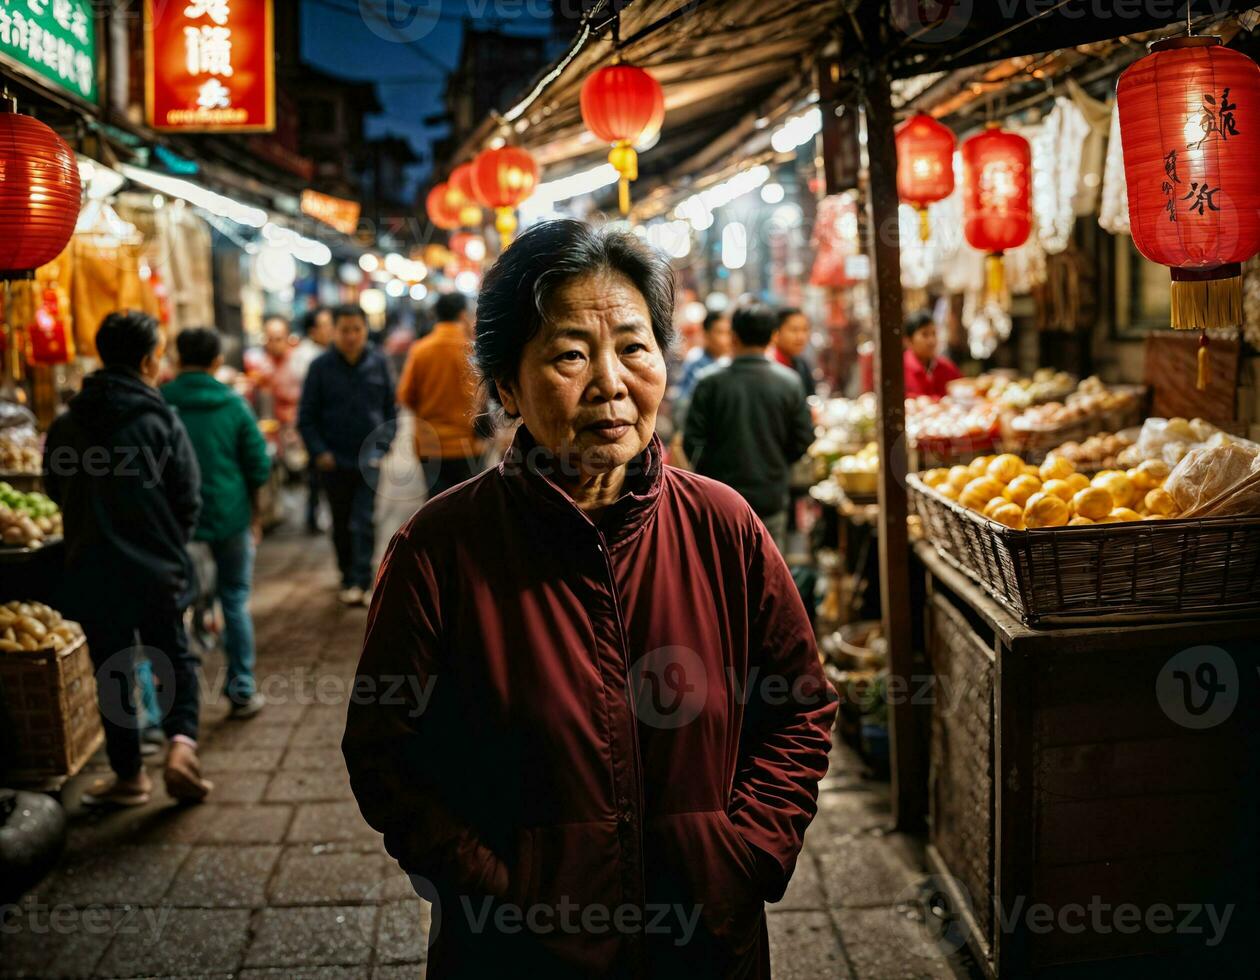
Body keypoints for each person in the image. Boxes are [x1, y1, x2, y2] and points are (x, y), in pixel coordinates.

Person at [343, 221, 835, 978]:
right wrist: (500, 893)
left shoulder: (724, 526)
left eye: (635, 348)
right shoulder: (441, 550)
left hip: (705, 945)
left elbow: (801, 707)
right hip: (522, 958)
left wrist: (746, 854)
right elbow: (385, 755)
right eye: (571, 354)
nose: (611, 382)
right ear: (507, 384)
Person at [43, 311, 211, 805]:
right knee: (173, 656)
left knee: (112, 668)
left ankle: (130, 775)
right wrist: (168, 544)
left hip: (92, 567)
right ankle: (180, 748)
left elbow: (56, 488)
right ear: (145, 360)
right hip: (157, 568)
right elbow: (188, 497)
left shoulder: (69, 422)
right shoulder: (160, 420)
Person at [162, 328, 271, 720]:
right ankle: (241, 689)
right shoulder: (233, 405)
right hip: (230, 516)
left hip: (178, 524)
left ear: (176, 358)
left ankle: (175, 704)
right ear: (215, 362)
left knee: (176, 609)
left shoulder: (161, 404)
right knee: (235, 599)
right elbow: (258, 465)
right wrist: (255, 516)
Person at [683, 302, 816, 553]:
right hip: (772, 495)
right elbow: (803, 437)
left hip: (720, 499)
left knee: (724, 574)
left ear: (734, 337)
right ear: (773, 336)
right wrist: (778, 463)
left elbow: (693, 441)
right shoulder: (789, 382)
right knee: (768, 574)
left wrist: (710, 473)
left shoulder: (710, 382)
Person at [298, 304, 396, 606]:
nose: (351, 336)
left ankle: (364, 580)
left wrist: (382, 447)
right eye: (345, 330)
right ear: (334, 332)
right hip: (332, 459)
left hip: (369, 459)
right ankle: (347, 576)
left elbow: (391, 411)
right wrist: (319, 452)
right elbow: (307, 416)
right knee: (340, 521)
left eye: (357, 329)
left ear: (365, 330)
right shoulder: (320, 367)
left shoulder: (379, 363)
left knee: (364, 520)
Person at [395, 291, 486, 500]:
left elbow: (405, 395)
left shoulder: (420, 350)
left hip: (429, 444)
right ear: (463, 314)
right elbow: (483, 398)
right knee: (466, 506)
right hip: (468, 445)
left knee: (436, 510)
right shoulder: (473, 351)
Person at [291, 306, 334, 533]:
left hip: (324, 424)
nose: (330, 330)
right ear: (312, 330)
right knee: (315, 475)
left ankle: (316, 516)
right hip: (313, 424)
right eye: (325, 326)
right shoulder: (306, 357)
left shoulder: (327, 354)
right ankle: (312, 517)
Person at [902, 309, 962, 400]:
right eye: (925, 335)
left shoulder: (947, 367)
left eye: (934, 334)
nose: (932, 341)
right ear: (908, 340)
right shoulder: (900, 369)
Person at [675, 310, 732, 402]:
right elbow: (684, 398)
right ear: (706, 334)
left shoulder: (731, 363)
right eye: (720, 332)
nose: (726, 339)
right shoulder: (695, 361)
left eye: (728, 332)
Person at [769, 307, 816, 395]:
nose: (801, 337)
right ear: (776, 333)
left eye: (805, 330)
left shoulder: (802, 364)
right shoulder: (769, 364)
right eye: (794, 330)